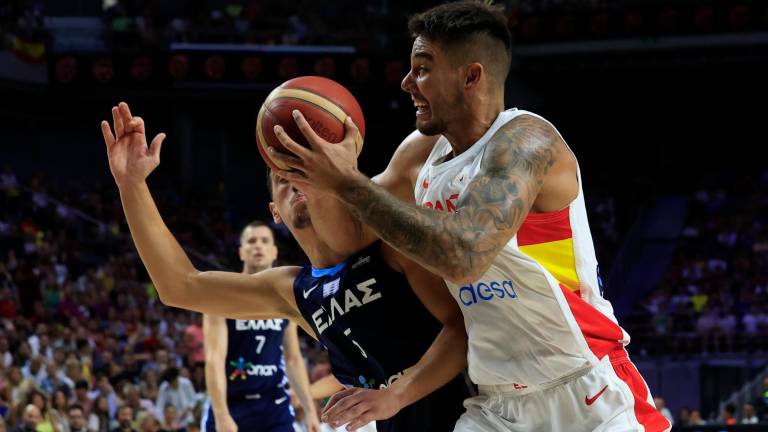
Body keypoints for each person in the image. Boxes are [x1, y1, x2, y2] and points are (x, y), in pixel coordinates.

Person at [269, 2, 672, 431]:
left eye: (422, 69)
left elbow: (464, 254)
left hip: (586, 390)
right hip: (497, 405)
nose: (406, 83)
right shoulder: (417, 157)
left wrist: (346, 182)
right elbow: (351, 234)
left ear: (471, 76)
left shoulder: (527, 142)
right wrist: (311, 180)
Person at [100, 102, 469, 432]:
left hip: (475, 413)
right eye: (282, 177)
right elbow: (180, 286)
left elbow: (463, 331)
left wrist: (394, 395)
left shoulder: (388, 240)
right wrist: (132, 185)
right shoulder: (292, 290)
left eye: (302, 169)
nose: (293, 180)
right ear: (275, 212)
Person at [201, 221, 320, 432]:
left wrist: (309, 409)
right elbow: (214, 360)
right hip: (232, 403)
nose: (258, 246)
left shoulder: (285, 297)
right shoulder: (221, 295)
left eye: (265, 241)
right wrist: (221, 414)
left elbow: (292, 359)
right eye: (251, 241)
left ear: (274, 252)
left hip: (273, 405)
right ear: (241, 252)